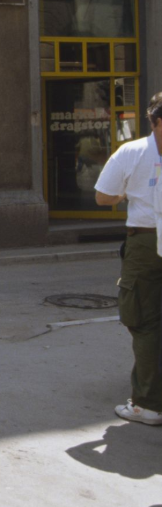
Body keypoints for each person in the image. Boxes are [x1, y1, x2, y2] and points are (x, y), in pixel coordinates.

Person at [95, 92, 162, 426]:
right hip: (146, 240)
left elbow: (102, 196)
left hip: (145, 241)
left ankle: (147, 403)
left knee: (145, 320)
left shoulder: (132, 152)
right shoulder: (133, 152)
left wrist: (126, 194)